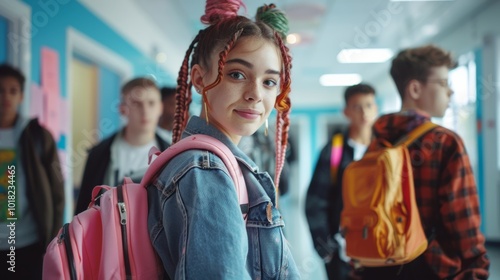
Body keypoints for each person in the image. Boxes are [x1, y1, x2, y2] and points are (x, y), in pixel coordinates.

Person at [146, 0, 300, 278]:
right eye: (237, 74)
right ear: (199, 79)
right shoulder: (205, 170)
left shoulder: (216, 161)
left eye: (269, 81)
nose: (255, 94)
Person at [360, 45, 489, 279]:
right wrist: (476, 269)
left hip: (378, 264)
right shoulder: (446, 143)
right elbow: (463, 224)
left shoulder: (376, 144)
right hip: (432, 268)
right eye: (442, 83)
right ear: (415, 89)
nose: (450, 92)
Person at [305, 83, 378, 280]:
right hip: (343, 251)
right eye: (357, 107)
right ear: (346, 111)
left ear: (376, 109)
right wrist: (326, 248)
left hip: (381, 245)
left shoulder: (386, 150)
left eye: (369, 105)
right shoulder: (334, 151)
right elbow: (315, 202)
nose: (364, 112)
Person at [0, 63, 64, 279]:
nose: (6, 97)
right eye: (0, 90)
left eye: (13, 90)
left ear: (21, 96)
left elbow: (57, 190)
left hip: (30, 241)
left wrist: (53, 237)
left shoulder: (38, 136)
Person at [74, 77, 168, 214]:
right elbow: (83, 208)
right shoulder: (99, 154)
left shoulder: (171, 157)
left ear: (160, 108)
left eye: (151, 103)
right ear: (123, 109)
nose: (145, 110)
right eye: (136, 103)